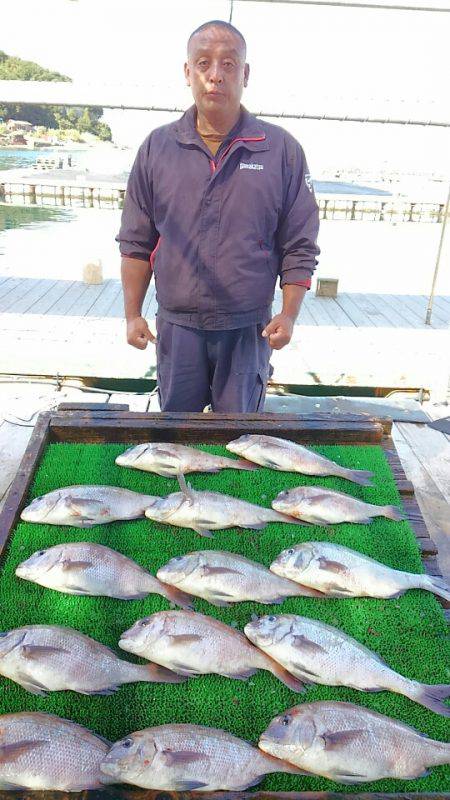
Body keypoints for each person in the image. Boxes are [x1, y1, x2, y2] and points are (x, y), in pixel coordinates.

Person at [117, 19, 320, 412]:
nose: (215, 75)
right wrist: (132, 315)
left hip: (248, 328)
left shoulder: (281, 150)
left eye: (228, 64)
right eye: (204, 63)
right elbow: (135, 242)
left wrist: (289, 314)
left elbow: (300, 243)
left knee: (241, 439)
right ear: (187, 72)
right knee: (176, 440)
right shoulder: (157, 149)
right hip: (177, 327)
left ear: (245, 74)